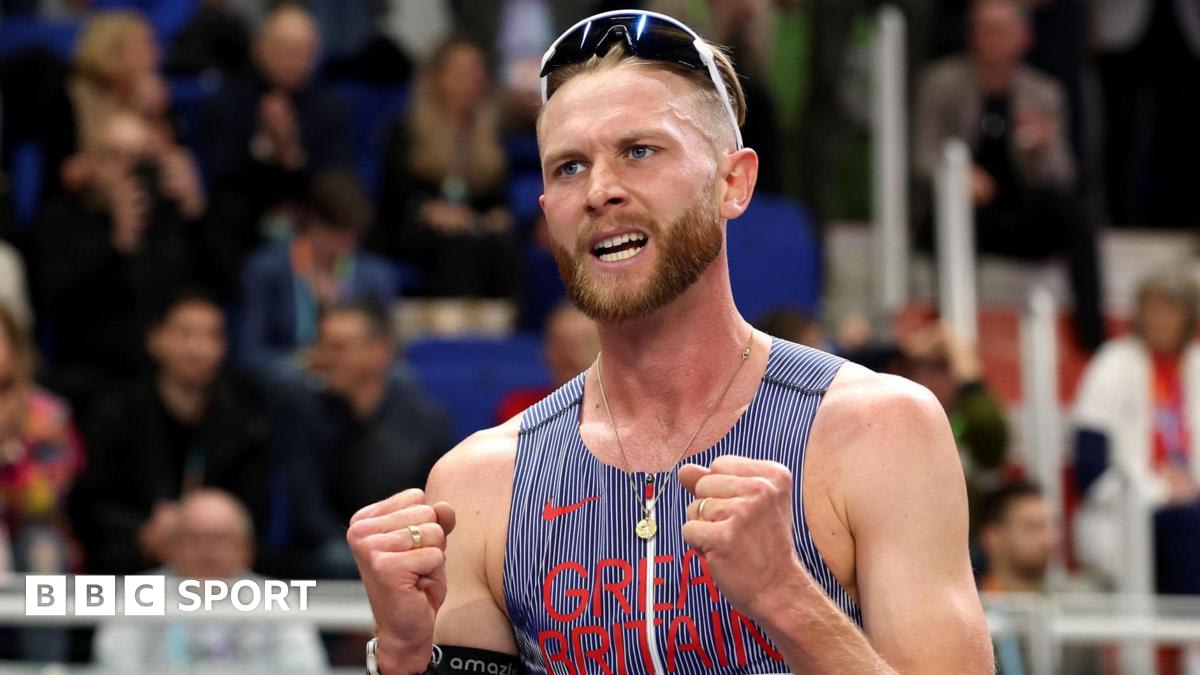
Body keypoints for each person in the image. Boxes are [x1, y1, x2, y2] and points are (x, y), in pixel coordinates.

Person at [348, 11, 993, 674]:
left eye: (639, 151)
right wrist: (401, 656)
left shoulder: (879, 430)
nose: (600, 190)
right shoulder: (480, 484)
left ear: (732, 182)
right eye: (569, 167)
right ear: (547, 216)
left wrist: (788, 597)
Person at [913, 0, 1104, 350]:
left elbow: (1065, 176)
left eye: (1000, 31)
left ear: (1023, 37)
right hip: (963, 213)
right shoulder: (941, 83)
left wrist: (1044, 150)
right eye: (983, 30)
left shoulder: (1043, 92)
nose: (990, 41)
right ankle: (953, 337)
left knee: (1077, 214)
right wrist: (960, 177)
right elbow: (923, 156)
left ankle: (1093, 339)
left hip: (1019, 213)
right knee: (949, 220)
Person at [69, 290, 271, 575]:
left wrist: (201, 528)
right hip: (130, 553)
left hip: (216, 552)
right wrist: (143, 531)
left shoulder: (245, 420)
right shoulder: (117, 413)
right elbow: (90, 503)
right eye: (185, 333)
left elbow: (254, 507)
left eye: (211, 336)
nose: (198, 349)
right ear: (155, 339)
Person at [33, 111, 201, 413]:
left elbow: (212, 289)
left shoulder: (168, 219)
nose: (128, 170)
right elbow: (59, 304)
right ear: (89, 163)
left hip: (163, 373)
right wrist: (118, 244)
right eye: (115, 157)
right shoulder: (60, 220)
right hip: (93, 372)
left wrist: (197, 214)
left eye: (140, 158)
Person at [281, 300, 451, 578]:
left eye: (337, 348)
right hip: (335, 552)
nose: (322, 358)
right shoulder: (305, 413)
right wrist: (362, 546)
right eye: (321, 346)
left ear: (379, 352)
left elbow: (435, 506)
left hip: (406, 546)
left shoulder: (426, 421)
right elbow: (307, 513)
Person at [201, 3, 352, 299]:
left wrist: (291, 151)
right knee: (221, 220)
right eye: (285, 49)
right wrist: (264, 148)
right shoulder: (227, 100)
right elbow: (221, 173)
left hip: (310, 208)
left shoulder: (329, 107)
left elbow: (337, 179)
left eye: (304, 52)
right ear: (259, 48)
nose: (294, 61)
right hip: (247, 211)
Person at [93, 488, 328, 671]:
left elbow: (304, 666)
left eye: (220, 539)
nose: (208, 551)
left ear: (246, 549)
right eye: (195, 538)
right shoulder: (139, 594)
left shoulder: (277, 599)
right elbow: (114, 664)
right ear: (171, 547)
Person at [1072, 271, 1200, 592]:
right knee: (1188, 524)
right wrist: (1160, 491)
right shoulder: (1111, 365)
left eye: (1170, 309)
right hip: (1129, 516)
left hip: (1190, 505)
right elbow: (1090, 471)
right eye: (1152, 309)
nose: (1159, 319)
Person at [372, 38, 521, 300]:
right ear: (437, 77)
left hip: (473, 226)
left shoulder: (490, 128)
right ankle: (454, 332)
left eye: (477, 70)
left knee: (503, 242)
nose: (472, 79)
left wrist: (498, 215)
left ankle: (506, 328)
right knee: (457, 243)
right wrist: (429, 210)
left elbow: (496, 197)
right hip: (416, 227)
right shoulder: (407, 128)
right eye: (461, 71)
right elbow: (394, 198)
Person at [237, 170, 396, 385]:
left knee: (400, 378)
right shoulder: (267, 269)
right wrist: (306, 363)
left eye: (352, 236)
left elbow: (386, 349)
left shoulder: (375, 276)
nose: (345, 245)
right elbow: (250, 355)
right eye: (336, 233)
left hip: (354, 381)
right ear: (314, 221)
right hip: (292, 379)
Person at [0, 302, 83, 662]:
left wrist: (10, 457)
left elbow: (46, 498)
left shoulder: (47, 415)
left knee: (42, 551)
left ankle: (47, 666)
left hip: (27, 534)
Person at [886, 322, 1010, 535]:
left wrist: (971, 381)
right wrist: (901, 350)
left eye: (943, 368)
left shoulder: (971, 418)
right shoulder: (890, 419)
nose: (931, 378)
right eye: (920, 367)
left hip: (964, 543)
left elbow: (991, 434)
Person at [494, 302, 598, 423]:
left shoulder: (619, 415)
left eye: (584, 343)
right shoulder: (521, 410)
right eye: (560, 344)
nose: (569, 354)